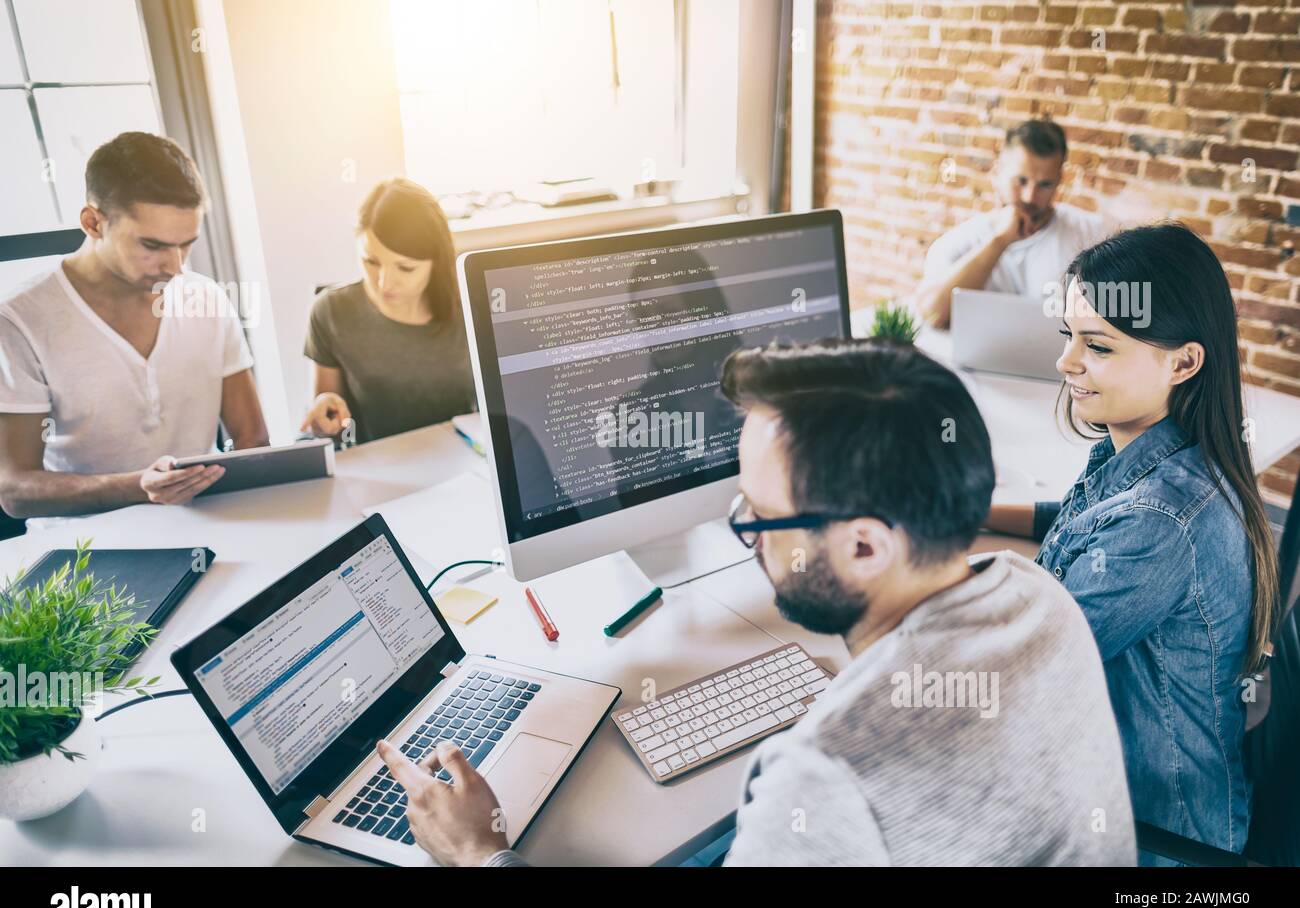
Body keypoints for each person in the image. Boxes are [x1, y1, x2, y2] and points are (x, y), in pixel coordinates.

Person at [377, 338, 1136, 866]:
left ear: (866, 546)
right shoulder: (1041, 597)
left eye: (760, 519)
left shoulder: (822, 779)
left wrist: (479, 853)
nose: (746, 539)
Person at [986, 222, 1280, 864]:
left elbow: (1015, 674)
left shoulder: (1161, 522)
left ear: (1183, 362)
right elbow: (1084, 521)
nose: (1066, 362)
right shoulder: (1169, 459)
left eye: (1098, 346)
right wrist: (972, 511)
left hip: (1154, 845)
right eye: (1068, 336)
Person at [0, 132, 268, 519]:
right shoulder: (20, 320)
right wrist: (139, 487)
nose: (175, 267)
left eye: (186, 243)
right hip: (86, 545)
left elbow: (253, 439)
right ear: (93, 222)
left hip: (206, 525)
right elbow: (14, 491)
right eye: (153, 246)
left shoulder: (206, 298)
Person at [300, 178, 475, 445]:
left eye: (405, 268)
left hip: (465, 456)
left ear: (436, 262)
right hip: (378, 463)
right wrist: (324, 417)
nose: (384, 283)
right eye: (370, 261)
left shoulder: (472, 306)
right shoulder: (331, 312)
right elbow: (331, 431)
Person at [914, 118, 1109, 329]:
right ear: (997, 173)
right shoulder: (959, 241)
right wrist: (999, 241)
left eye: (1045, 184)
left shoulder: (1091, 233)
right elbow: (932, 315)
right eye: (1021, 181)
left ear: (1059, 180)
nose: (1030, 196)